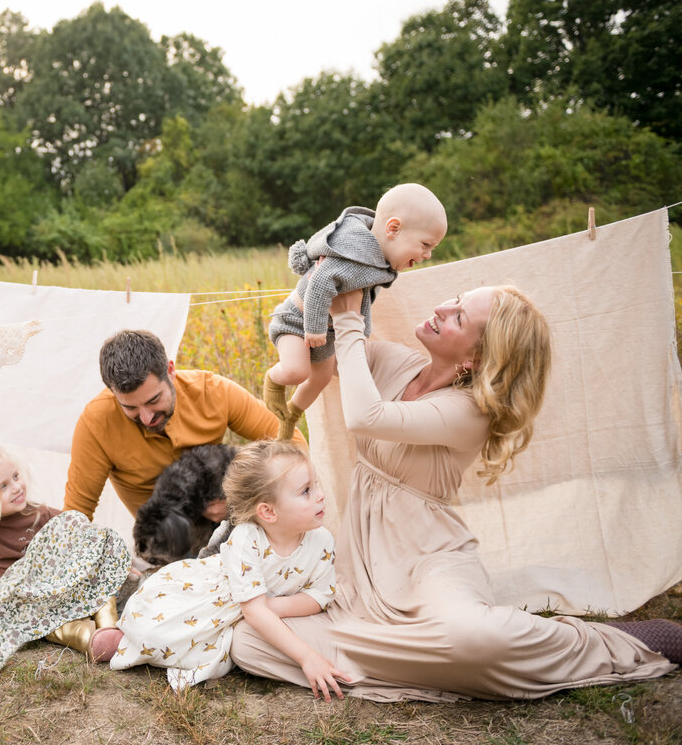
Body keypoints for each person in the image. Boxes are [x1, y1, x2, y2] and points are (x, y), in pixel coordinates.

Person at [230, 286, 679, 701]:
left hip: (429, 557)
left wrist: (349, 322)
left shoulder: (470, 412)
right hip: (360, 564)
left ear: (477, 358)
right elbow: (315, 342)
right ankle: (408, 658)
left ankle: (609, 641)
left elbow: (365, 416)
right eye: (455, 300)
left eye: (459, 317)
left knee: (472, 637)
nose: (443, 308)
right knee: (247, 642)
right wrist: (333, 272)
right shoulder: (394, 362)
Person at [109, 441, 351, 698]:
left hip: (249, 611)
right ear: (268, 512)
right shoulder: (248, 538)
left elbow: (321, 594)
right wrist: (307, 657)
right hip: (208, 599)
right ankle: (115, 636)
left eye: (316, 484)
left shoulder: (322, 540)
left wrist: (271, 607)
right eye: (306, 491)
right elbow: (253, 610)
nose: (320, 495)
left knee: (218, 659)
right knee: (157, 634)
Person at [0, 444, 130, 682]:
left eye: (16, 476)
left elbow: (82, 538)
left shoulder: (39, 515)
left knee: (83, 529)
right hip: (15, 612)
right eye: (3, 486)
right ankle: (89, 638)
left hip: (52, 594)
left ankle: (107, 625)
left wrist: (106, 557)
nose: (17, 487)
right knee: (47, 625)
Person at [264, 183, 448, 439]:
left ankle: (291, 416)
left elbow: (362, 301)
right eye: (425, 244)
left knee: (321, 378)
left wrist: (358, 333)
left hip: (326, 334)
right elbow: (319, 282)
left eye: (432, 249)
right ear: (393, 229)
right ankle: (273, 380)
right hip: (298, 322)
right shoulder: (350, 251)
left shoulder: (378, 259)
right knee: (298, 372)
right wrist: (315, 326)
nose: (427, 254)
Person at [63, 330, 305, 522]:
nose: (146, 417)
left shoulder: (214, 391)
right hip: (167, 541)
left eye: (153, 400)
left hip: (237, 519)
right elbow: (76, 514)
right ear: (112, 392)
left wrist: (245, 499)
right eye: (130, 408)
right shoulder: (96, 423)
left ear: (170, 371)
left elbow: (292, 444)